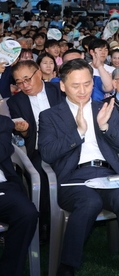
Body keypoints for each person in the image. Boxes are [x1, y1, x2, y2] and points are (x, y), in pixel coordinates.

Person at [38, 59, 119, 276]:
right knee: (89, 202)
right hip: (73, 178)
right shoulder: (49, 116)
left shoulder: (106, 108)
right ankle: (67, 266)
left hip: (107, 173)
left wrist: (105, 127)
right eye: (75, 85)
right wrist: (78, 132)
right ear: (62, 86)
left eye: (87, 84)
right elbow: (48, 153)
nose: (82, 90)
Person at [8, 60, 64, 240]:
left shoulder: (58, 91)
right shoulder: (16, 102)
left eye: (27, 79)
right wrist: (23, 130)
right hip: (39, 150)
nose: (24, 85)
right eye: (19, 82)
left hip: (66, 145)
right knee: (41, 176)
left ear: (39, 73)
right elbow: (27, 136)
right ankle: (44, 223)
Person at [0, 115, 39, 276]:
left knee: (26, 213)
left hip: (3, 188)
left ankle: (9, 271)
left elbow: (3, 150)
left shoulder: (2, 123)